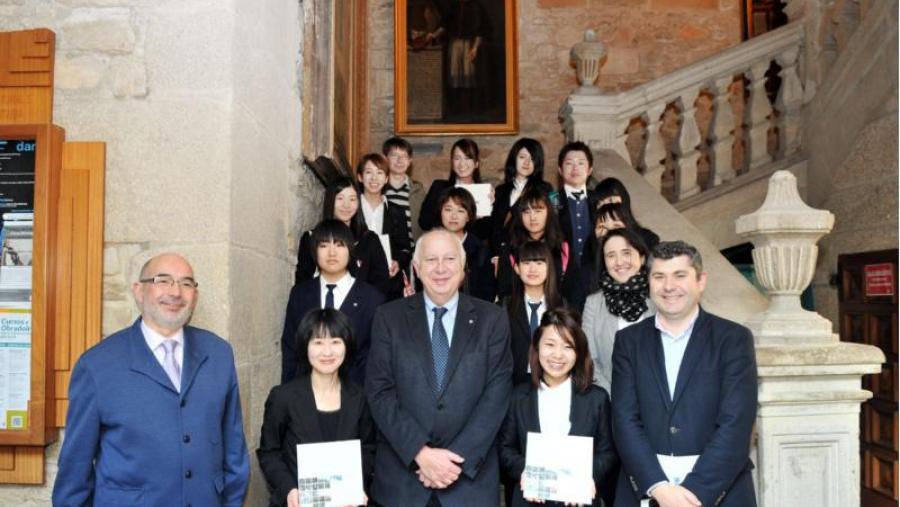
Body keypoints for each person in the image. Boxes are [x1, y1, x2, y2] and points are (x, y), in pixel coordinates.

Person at [53, 253, 249, 507]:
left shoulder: (219, 354)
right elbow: (75, 469)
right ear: (139, 291)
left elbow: (234, 451)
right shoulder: (97, 366)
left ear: (195, 295)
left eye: (186, 283)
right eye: (163, 280)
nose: (175, 292)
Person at [365, 229, 513, 507]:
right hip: (404, 480)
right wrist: (420, 453)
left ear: (463, 267)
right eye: (431, 260)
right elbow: (380, 391)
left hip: (469, 482)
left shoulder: (492, 320)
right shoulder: (388, 318)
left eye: (449, 259)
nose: (441, 268)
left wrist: (452, 461)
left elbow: (497, 394)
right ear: (417, 269)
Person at [611, 241, 758, 507]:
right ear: (649, 282)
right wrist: (659, 489)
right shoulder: (628, 341)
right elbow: (624, 419)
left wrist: (695, 493)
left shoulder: (733, 339)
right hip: (647, 490)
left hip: (718, 490)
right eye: (659, 276)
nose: (669, 286)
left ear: (701, 281)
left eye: (680, 275)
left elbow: (736, 423)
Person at [499, 308, 617, 507]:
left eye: (568, 346)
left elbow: (608, 452)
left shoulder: (596, 398)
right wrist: (526, 471)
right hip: (530, 500)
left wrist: (586, 476)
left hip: (579, 501)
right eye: (550, 345)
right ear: (537, 348)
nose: (558, 355)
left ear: (578, 352)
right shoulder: (518, 396)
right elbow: (504, 449)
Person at [259, 309, 376, 507]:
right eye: (318, 342)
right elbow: (269, 452)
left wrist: (356, 485)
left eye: (336, 342)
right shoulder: (283, 397)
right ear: (306, 346)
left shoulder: (359, 397)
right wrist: (289, 489)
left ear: (347, 346)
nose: (327, 352)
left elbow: (368, 448)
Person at [281, 220, 385, 385]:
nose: (332, 252)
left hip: (355, 398)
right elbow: (290, 349)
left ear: (350, 250)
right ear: (314, 251)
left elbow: (375, 357)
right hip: (306, 395)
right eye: (324, 245)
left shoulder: (372, 298)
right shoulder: (300, 294)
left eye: (339, 244)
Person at [583, 228, 655, 394]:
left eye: (626, 253)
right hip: (614, 401)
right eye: (611, 255)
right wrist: (614, 397)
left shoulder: (661, 297)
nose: (619, 261)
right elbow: (589, 358)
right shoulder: (593, 303)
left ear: (642, 258)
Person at [295, 177, 391, 294]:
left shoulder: (369, 239)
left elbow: (381, 284)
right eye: (340, 198)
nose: (346, 205)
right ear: (330, 200)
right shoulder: (311, 238)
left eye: (352, 199)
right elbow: (302, 284)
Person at [496, 187, 585, 311]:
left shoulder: (563, 249)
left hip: (557, 315)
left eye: (538, 210)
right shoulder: (511, 249)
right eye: (526, 212)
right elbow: (504, 291)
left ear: (549, 212)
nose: (532, 217)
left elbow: (573, 291)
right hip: (519, 316)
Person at [504, 240, 563, 386]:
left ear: (549, 267)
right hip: (513, 386)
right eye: (526, 263)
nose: (533, 269)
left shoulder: (563, 306)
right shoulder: (503, 308)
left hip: (552, 383)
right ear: (516, 268)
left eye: (539, 263)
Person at [357, 152, 414, 299]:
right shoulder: (352, 208)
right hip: (357, 280)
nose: (374, 178)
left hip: (389, 282)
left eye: (380, 173)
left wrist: (398, 262)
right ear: (360, 177)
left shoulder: (396, 211)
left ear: (386, 178)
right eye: (369, 172)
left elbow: (406, 248)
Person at [490, 138, 555, 256]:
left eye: (532, 159)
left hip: (529, 254)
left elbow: (554, 222)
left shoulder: (546, 189)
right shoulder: (500, 190)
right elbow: (492, 227)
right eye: (522, 157)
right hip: (500, 254)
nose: (527, 162)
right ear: (514, 159)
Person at [419, 138, 491, 239]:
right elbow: (424, 222)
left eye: (467, 158)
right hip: (441, 245)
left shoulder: (484, 193)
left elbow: (485, 233)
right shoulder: (439, 187)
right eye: (457, 158)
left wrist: (481, 213)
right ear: (452, 163)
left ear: (476, 164)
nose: (462, 164)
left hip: (471, 251)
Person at [438, 186, 495, 302]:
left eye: (460, 211)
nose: (453, 216)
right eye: (448, 209)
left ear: (469, 216)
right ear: (441, 212)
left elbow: (487, 294)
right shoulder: (430, 247)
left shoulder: (481, 251)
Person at [556, 141, 600, 267]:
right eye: (569, 163)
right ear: (560, 169)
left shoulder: (598, 199)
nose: (575, 168)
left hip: (594, 270)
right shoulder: (554, 199)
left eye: (581, 163)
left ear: (590, 169)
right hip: (563, 270)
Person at [383, 136, 426, 248]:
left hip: (414, 252)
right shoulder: (379, 189)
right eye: (394, 155)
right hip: (385, 250)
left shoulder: (418, 190)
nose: (399, 160)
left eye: (404, 156)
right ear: (385, 158)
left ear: (409, 162)